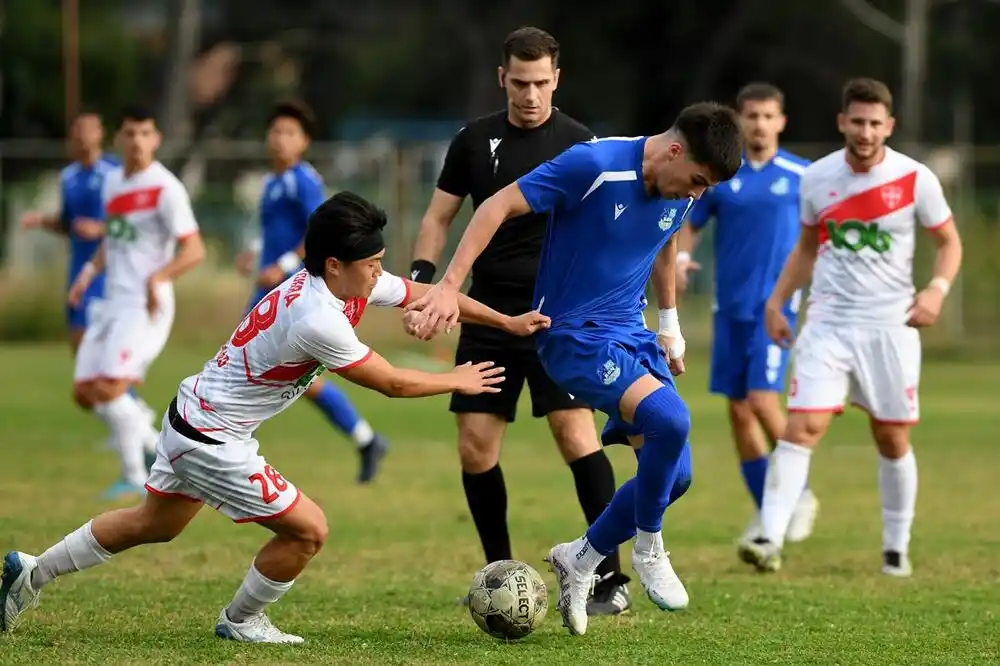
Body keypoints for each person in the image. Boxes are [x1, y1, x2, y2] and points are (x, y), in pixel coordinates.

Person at [0, 191, 550, 643]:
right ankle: (241, 621)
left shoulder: (339, 282)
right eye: (372, 265)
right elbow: (390, 382)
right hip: (211, 438)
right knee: (308, 530)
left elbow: (426, 292)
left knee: (153, 524)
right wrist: (457, 379)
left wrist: (506, 323)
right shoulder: (316, 318)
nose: (381, 274)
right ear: (335, 265)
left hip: (190, 414)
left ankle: (31, 569)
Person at [407, 103, 744, 635]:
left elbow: (665, 242)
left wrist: (671, 323)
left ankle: (581, 557)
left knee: (675, 475)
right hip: (571, 336)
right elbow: (496, 205)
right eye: (697, 181)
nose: (695, 195)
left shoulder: (679, 192)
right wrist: (447, 285)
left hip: (632, 333)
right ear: (675, 150)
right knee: (671, 423)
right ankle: (649, 547)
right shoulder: (595, 165)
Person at [409, 26, 628, 614]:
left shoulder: (582, 145)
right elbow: (438, 218)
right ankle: (497, 574)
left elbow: (604, 231)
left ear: (556, 78)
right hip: (487, 312)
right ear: (501, 78)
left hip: (560, 316)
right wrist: (425, 282)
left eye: (541, 83)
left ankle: (610, 576)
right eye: (519, 83)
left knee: (574, 432)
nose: (530, 94)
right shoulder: (474, 141)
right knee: (476, 446)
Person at [745, 78, 963, 576]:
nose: (865, 132)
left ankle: (895, 547)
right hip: (828, 322)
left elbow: (950, 243)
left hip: (890, 327)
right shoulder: (816, 178)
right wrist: (777, 303)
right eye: (857, 122)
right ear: (842, 122)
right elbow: (805, 248)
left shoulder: (915, 179)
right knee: (803, 426)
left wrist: (935, 290)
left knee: (891, 437)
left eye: (874, 123)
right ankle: (768, 535)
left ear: (889, 126)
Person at [677, 83, 817, 560]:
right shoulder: (724, 175)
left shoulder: (803, 175)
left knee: (761, 399)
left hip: (776, 310)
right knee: (738, 410)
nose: (759, 124)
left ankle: (798, 493)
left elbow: (822, 237)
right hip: (729, 311)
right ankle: (767, 515)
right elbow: (689, 228)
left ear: (781, 121)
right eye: (751, 115)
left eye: (767, 116)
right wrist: (680, 261)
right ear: (739, 120)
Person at [237, 101, 389, 484]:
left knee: (264, 371)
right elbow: (275, 232)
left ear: (304, 141)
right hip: (268, 289)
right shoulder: (273, 181)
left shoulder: (303, 180)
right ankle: (366, 439)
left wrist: (284, 265)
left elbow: (320, 233)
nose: (280, 139)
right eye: (275, 131)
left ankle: (228, 443)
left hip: (290, 289)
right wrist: (255, 252)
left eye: (289, 133)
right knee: (266, 371)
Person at [68, 106, 206, 498]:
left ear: (156, 138)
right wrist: (86, 276)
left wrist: (159, 278)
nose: (138, 142)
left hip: (146, 304)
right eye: (130, 134)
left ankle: (133, 474)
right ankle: (150, 441)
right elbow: (115, 237)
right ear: (119, 139)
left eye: (145, 133)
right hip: (112, 299)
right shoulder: (112, 182)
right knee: (84, 392)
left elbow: (194, 249)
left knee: (111, 388)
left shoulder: (166, 188)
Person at [19, 112, 157, 426]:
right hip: (79, 273)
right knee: (85, 361)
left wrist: (100, 229)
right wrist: (41, 221)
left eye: (88, 129)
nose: (82, 136)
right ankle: (129, 424)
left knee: (103, 365)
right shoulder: (68, 177)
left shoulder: (114, 173)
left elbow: (135, 223)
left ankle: (136, 428)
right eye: (76, 130)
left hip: (110, 276)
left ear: (100, 134)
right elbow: (69, 224)